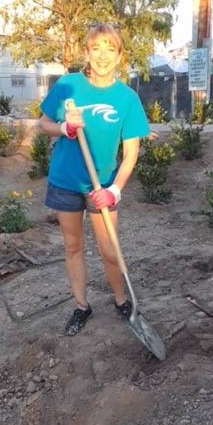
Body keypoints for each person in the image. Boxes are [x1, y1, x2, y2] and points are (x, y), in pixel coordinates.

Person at [39, 23, 150, 336]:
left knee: (109, 249)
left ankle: (120, 299)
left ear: (119, 55)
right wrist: (65, 128)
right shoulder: (68, 86)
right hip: (65, 181)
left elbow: (130, 153)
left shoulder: (127, 99)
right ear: (87, 52)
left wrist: (114, 190)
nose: (102, 55)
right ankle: (81, 306)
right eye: (96, 48)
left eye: (110, 48)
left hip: (102, 186)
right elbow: (43, 123)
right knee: (73, 247)